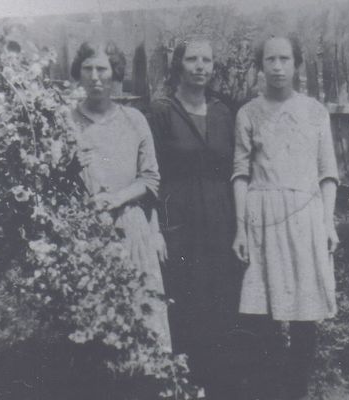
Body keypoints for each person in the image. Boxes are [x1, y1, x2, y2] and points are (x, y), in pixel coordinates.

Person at [232, 36, 340, 400]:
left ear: (296, 64)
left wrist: (327, 223)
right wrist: (241, 228)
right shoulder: (248, 113)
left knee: (305, 312)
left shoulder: (315, 112)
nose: (277, 67)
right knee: (263, 312)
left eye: (284, 59)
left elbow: (328, 173)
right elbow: (241, 174)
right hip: (262, 218)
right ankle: (267, 389)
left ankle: (296, 390)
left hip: (306, 218)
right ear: (260, 66)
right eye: (270, 59)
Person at [147, 39, 243, 400]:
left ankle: (219, 384)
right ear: (178, 64)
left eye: (207, 59)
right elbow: (151, 173)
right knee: (185, 298)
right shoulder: (161, 111)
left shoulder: (222, 112)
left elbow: (236, 168)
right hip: (180, 219)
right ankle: (184, 383)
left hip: (220, 219)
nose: (200, 66)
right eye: (192, 59)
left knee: (220, 298)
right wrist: (156, 226)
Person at [69, 41, 171, 352]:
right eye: (88, 69)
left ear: (115, 74)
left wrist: (118, 198)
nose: (95, 76)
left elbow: (151, 178)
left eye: (103, 69)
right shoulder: (67, 121)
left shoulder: (133, 120)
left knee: (140, 320)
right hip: (85, 233)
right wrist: (69, 167)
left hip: (131, 227)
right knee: (94, 326)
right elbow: (52, 181)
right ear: (79, 73)